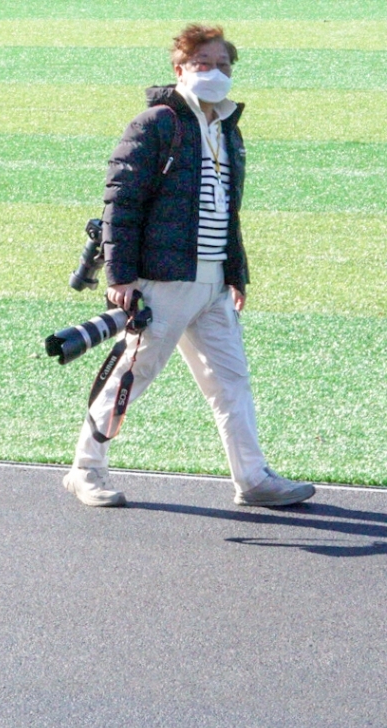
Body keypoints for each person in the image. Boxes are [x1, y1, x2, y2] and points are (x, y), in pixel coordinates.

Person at [62, 23, 316, 509]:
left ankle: (253, 478)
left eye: (223, 65)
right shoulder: (155, 123)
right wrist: (119, 277)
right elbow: (122, 202)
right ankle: (85, 471)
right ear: (179, 70)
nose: (215, 73)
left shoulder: (225, 127)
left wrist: (235, 273)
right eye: (203, 64)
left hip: (213, 284)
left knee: (232, 384)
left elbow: (227, 206)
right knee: (128, 380)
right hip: (162, 283)